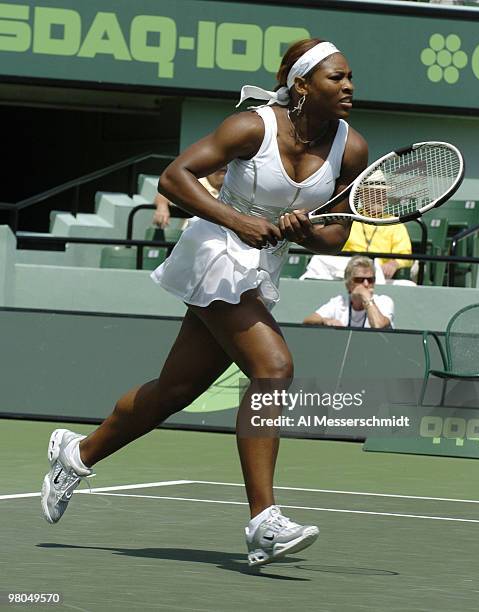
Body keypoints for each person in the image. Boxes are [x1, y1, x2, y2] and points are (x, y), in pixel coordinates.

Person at [40, 39, 368, 567]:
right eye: (336, 78)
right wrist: (239, 221)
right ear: (302, 85)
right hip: (215, 250)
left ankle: (75, 455)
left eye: (351, 77)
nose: (348, 86)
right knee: (274, 368)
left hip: (261, 268)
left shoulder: (351, 150)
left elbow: (336, 238)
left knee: (175, 389)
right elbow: (175, 177)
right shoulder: (252, 127)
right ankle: (264, 521)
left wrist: (301, 231)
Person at [303, 256, 394, 329]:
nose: (366, 284)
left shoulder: (384, 301)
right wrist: (324, 321)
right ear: (348, 283)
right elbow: (307, 321)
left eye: (370, 280)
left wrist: (366, 297)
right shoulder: (339, 302)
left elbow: (378, 325)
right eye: (359, 280)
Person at [152, 168, 227, 228]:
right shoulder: (194, 184)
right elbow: (165, 193)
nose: (224, 166)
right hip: (193, 238)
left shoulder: (233, 189)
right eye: (219, 166)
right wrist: (162, 206)